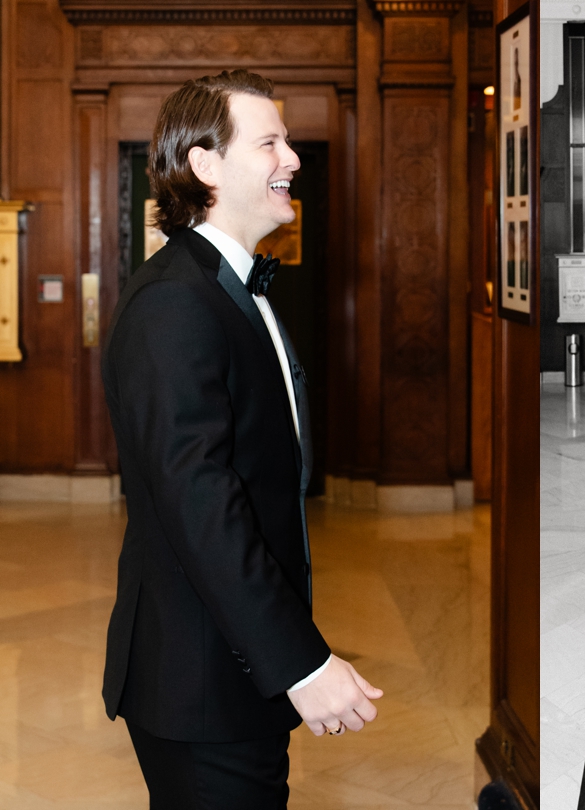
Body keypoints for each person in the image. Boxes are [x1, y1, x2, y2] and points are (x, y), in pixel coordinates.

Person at [101, 70, 382, 806]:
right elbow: (202, 505)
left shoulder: (225, 287)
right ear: (205, 165)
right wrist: (303, 665)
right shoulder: (174, 301)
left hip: (233, 666)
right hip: (200, 679)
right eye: (270, 141)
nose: (291, 158)